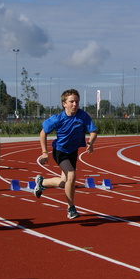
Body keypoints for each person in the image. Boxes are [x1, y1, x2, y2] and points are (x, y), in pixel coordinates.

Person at [33, 89, 97, 219]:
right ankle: (71, 208)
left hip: (73, 152)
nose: (75, 104)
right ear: (64, 103)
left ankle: (42, 182)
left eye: (77, 102)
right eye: (71, 101)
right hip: (60, 151)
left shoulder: (83, 116)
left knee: (64, 182)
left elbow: (93, 131)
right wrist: (44, 152)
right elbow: (43, 132)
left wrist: (90, 142)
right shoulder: (58, 119)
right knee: (72, 175)